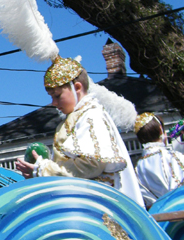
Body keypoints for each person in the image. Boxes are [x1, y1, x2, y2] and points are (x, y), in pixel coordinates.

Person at [14, 56, 144, 207]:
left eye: (57, 96)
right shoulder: (78, 116)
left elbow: (91, 165)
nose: (54, 103)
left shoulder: (91, 116)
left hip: (96, 205)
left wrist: (45, 169)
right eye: (51, 97)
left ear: (77, 87)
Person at [133, 112, 184, 207]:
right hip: (182, 210)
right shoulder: (170, 157)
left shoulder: (137, 168)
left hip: (156, 215)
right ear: (161, 130)